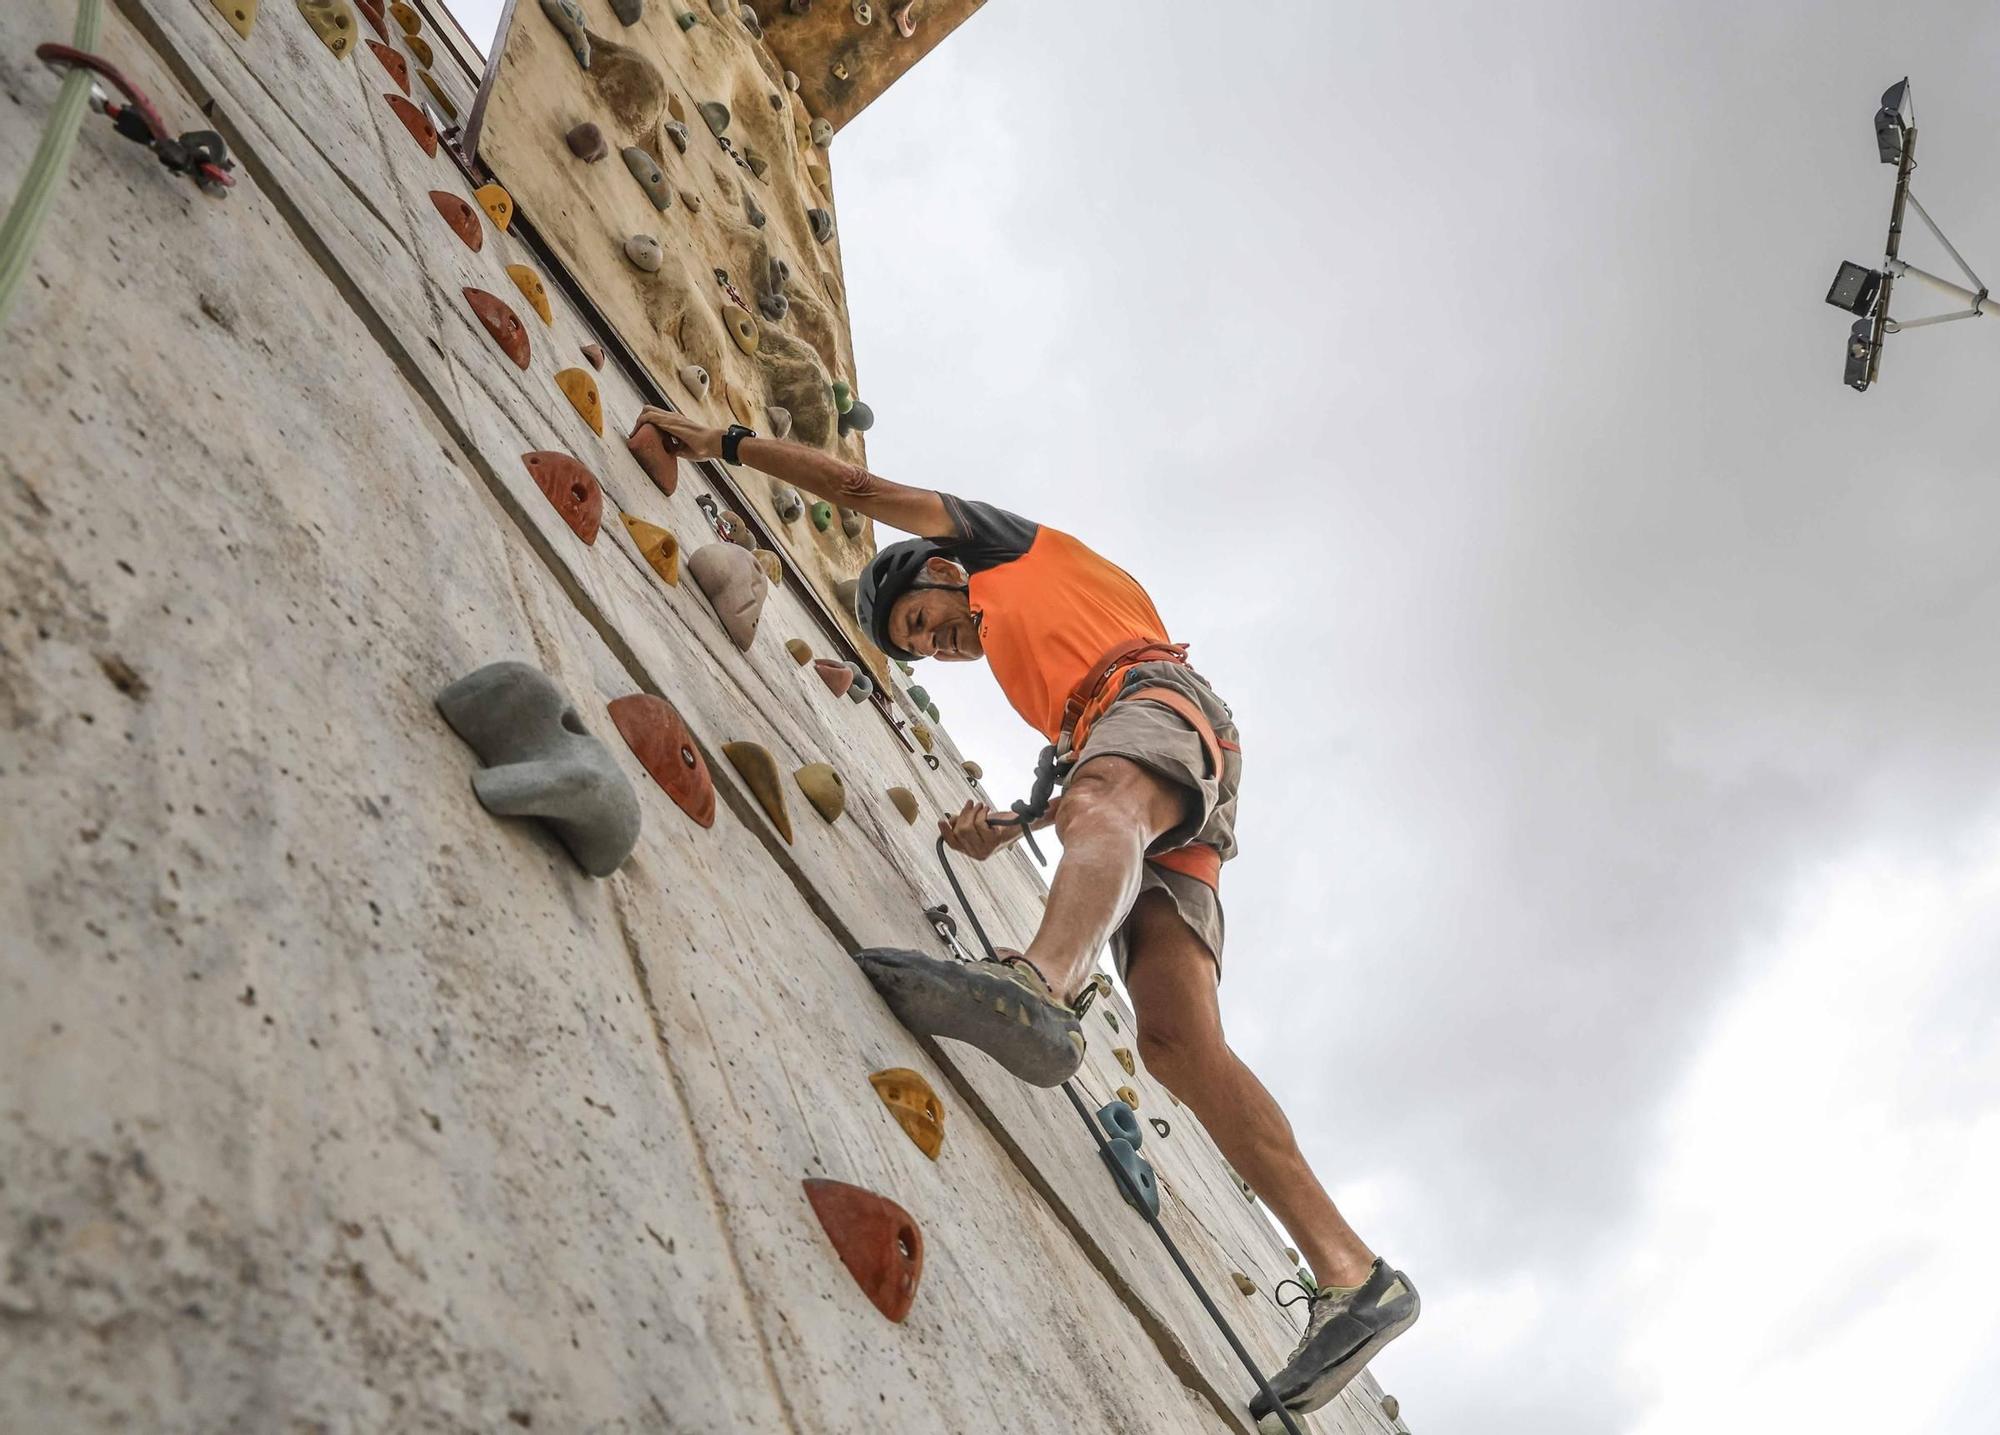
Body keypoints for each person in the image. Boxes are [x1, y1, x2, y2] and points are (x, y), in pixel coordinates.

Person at [633, 410, 1418, 1418]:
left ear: (939, 570)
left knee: (1101, 810)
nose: (938, 642)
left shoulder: (998, 548)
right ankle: (1354, 1276)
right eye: (923, 648)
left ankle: (1038, 984)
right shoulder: (1033, 678)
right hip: (1167, 759)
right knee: (1177, 1043)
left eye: (920, 619)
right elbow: (1094, 789)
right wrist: (1010, 825)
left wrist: (722, 444)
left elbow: (860, 494)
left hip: (1158, 702)